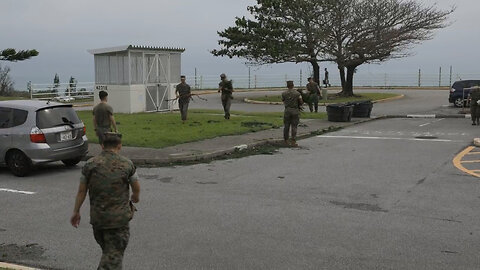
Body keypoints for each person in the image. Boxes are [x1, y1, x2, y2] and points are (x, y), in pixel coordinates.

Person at [71, 132, 140, 270]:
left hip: (98, 222)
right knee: (112, 259)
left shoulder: (90, 165)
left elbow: (81, 191)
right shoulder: (127, 164)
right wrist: (135, 197)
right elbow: (136, 187)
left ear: (102, 146)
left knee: (110, 253)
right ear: (119, 146)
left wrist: (76, 211)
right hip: (118, 223)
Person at [282, 81, 303, 147]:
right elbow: (301, 102)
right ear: (293, 85)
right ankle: (293, 141)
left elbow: (283, 100)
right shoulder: (297, 93)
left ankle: (286, 140)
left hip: (287, 110)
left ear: (287, 86)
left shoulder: (284, 93)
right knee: (294, 126)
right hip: (295, 110)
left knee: (286, 126)